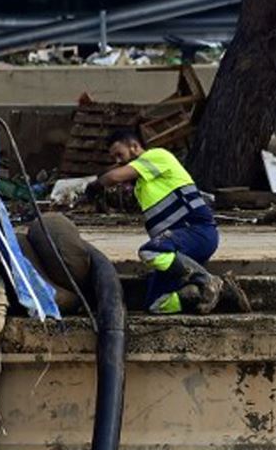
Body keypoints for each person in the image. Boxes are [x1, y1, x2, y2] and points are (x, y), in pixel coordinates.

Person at [94, 129, 222, 314]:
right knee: (155, 304)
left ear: (134, 146)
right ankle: (209, 293)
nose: (117, 161)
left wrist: (94, 185)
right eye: (114, 157)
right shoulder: (142, 184)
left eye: (119, 154)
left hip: (196, 232)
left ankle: (205, 279)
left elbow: (113, 177)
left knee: (150, 251)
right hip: (176, 246)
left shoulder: (157, 156)